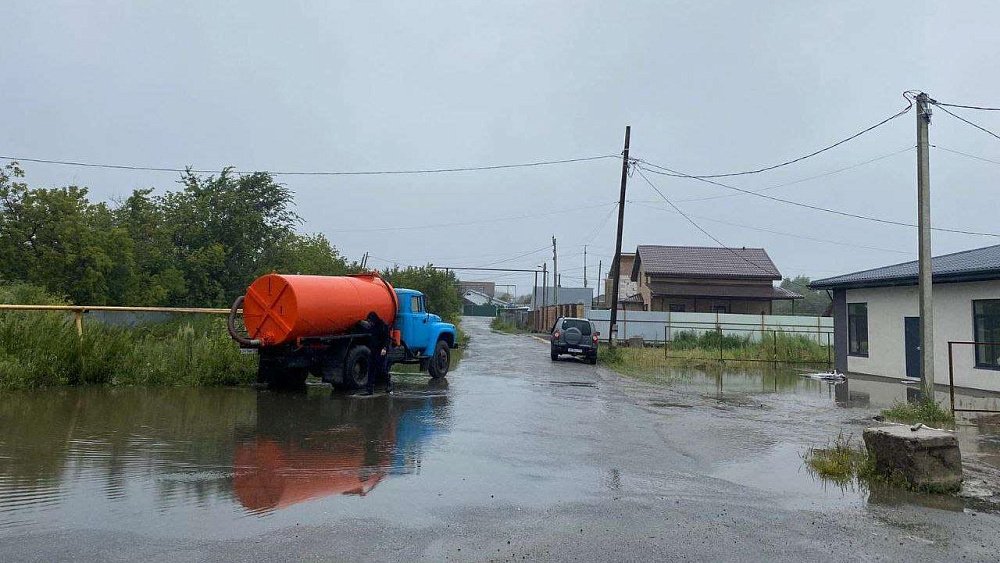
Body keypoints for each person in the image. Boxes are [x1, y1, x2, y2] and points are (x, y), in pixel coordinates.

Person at [363, 312, 392, 395]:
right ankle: (369, 389)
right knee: (371, 369)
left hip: (382, 351)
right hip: (373, 350)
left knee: (381, 369)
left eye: (370, 321)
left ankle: (388, 383)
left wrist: (384, 348)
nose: (370, 322)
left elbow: (387, 338)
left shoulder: (383, 326)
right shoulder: (373, 327)